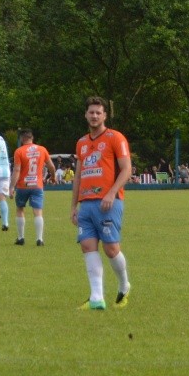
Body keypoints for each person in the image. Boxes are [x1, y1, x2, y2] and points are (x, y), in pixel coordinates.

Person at [71, 97, 132, 310]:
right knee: (87, 246)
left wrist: (111, 193)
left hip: (109, 202)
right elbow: (78, 177)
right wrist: (73, 206)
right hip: (86, 205)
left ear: (104, 115)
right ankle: (96, 298)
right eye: (91, 112)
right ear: (86, 115)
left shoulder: (115, 138)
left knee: (111, 249)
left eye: (98, 112)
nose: (94, 116)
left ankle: (124, 285)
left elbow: (127, 169)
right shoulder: (81, 143)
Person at [10, 129, 57, 247]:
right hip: (37, 185)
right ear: (32, 138)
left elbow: (16, 170)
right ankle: (39, 239)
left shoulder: (19, 151)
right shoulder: (42, 149)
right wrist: (53, 177)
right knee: (38, 212)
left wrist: (11, 187)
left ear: (22, 138)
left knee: (20, 209)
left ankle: (21, 238)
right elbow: (51, 166)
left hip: (23, 186)